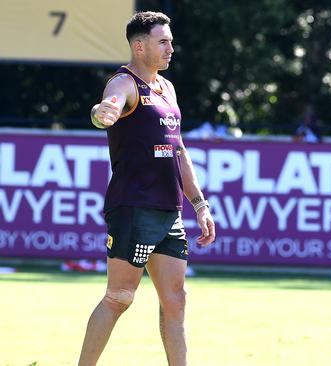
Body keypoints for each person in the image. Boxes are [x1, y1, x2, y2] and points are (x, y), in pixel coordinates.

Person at [79, 11, 216, 366]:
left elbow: (179, 150)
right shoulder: (123, 83)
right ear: (139, 46)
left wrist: (200, 205)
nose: (171, 48)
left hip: (169, 212)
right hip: (134, 208)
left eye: (170, 41)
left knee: (176, 300)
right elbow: (107, 106)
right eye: (163, 42)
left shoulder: (166, 88)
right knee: (120, 297)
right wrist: (103, 112)